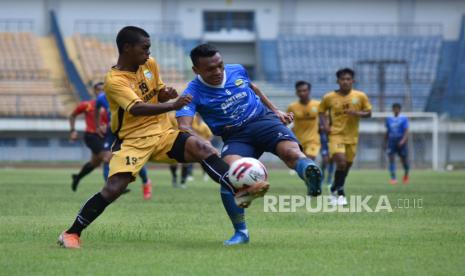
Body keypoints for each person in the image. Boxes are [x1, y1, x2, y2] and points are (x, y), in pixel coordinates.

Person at [58, 26, 268, 249]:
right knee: (114, 188)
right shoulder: (115, 81)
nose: (149, 52)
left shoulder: (149, 64)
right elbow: (136, 109)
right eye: (144, 47)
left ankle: (240, 188)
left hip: (163, 132)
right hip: (133, 140)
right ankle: (72, 233)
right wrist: (172, 105)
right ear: (127, 48)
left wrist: (164, 93)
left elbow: (157, 90)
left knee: (202, 147)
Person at [176, 44, 322, 245]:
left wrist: (275, 110)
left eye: (220, 65)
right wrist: (201, 143)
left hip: (263, 121)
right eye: (210, 69)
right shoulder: (192, 92)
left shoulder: (237, 69)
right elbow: (184, 126)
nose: (218, 71)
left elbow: (253, 87)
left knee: (291, 153)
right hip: (236, 137)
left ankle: (309, 173)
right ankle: (241, 233)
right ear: (196, 70)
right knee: (230, 176)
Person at [319, 68, 372, 206]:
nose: (345, 82)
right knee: (341, 162)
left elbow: (369, 113)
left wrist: (356, 113)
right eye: (343, 79)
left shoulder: (360, 96)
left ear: (353, 81)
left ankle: (333, 188)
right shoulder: (329, 97)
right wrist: (325, 126)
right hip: (335, 135)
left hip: (352, 137)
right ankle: (341, 193)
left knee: (346, 167)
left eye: (348, 79)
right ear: (338, 81)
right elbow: (321, 111)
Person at [94, 82, 153, 199]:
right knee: (106, 158)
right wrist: (98, 125)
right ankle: (110, 189)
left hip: (129, 131)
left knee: (134, 161)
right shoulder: (102, 98)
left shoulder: (127, 94)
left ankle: (146, 182)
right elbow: (96, 110)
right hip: (113, 131)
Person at [69, 88, 108, 192]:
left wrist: (107, 127)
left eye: (103, 89)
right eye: (99, 90)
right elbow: (72, 116)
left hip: (104, 136)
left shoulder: (110, 106)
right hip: (91, 136)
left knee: (94, 163)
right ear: (94, 91)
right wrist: (73, 130)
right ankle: (111, 186)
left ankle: (77, 177)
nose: (101, 92)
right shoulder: (87, 105)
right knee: (107, 157)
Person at [169, 113, 213, 188]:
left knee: (188, 161)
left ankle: (183, 181)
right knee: (173, 162)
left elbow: (209, 136)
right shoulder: (171, 116)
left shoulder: (203, 125)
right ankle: (175, 177)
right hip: (173, 140)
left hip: (190, 142)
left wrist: (205, 142)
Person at [287, 81, 321, 160]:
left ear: (309, 91)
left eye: (304, 90)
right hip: (298, 141)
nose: (302, 93)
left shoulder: (318, 105)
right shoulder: (292, 107)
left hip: (313, 140)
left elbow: (324, 119)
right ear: (296, 92)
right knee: (302, 163)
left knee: (309, 158)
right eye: (299, 91)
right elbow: (288, 122)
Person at [384, 103, 410, 185]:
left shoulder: (404, 119)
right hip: (392, 141)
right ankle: (393, 178)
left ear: (399, 109)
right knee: (391, 159)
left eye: (397, 109)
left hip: (401, 141)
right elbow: (388, 131)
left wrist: (403, 140)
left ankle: (406, 175)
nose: (395, 110)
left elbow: (406, 131)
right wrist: (385, 142)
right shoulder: (389, 119)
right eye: (394, 108)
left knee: (404, 160)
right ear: (392, 109)